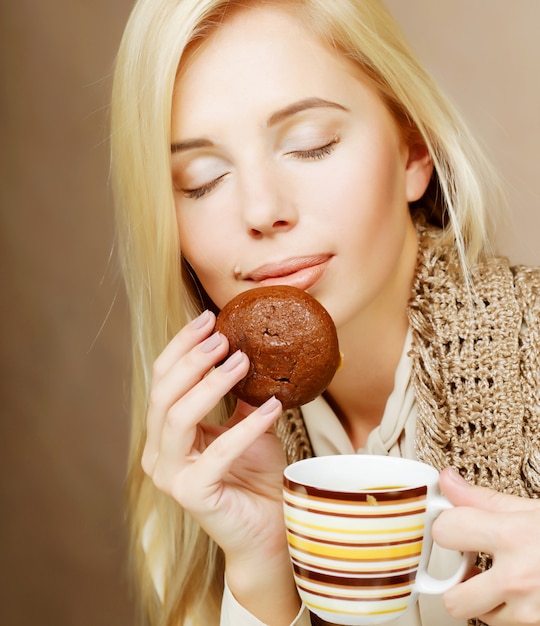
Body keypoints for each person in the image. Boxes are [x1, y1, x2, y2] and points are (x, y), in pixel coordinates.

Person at [109, 1, 540, 625]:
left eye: (312, 146)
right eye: (201, 179)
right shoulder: (191, 479)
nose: (261, 209)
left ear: (413, 150)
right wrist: (261, 573)